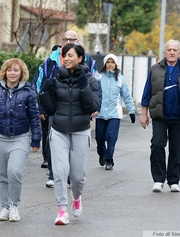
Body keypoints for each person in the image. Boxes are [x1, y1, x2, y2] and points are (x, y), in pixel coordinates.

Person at [39, 43, 99, 225]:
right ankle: (62, 210)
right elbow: (49, 109)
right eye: (65, 55)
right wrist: (43, 91)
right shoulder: (56, 79)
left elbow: (93, 107)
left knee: (78, 176)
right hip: (58, 130)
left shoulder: (90, 80)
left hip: (81, 130)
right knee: (59, 172)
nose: (67, 58)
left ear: (80, 58)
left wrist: (83, 87)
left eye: (71, 55)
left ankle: (77, 197)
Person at [0, 58, 41, 222]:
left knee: (14, 172)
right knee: (2, 175)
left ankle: (14, 206)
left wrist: (36, 140)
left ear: (21, 73)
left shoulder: (28, 92)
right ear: (4, 72)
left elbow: (34, 117)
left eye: (16, 70)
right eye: (9, 70)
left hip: (20, 138)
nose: (12, 73)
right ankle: (4, 207)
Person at [33, 30, 97, 188]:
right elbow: (40, 83)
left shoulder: (87, 60)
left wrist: (95, 105)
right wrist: (42, 107)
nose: (69, 42)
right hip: (56, 108)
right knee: (53, 141)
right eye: (66, 39)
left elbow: (95, 84)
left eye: (72, 39)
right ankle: (53, 175)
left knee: (74, 148)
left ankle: (71, 177)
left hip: (79, 108)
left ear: (78, 41)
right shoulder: (51, 60)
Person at [140, 39, 180, 193]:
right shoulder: (155, 69)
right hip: (160, 116)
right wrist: (143, 113)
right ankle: (158, 180)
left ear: (179, 53)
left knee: (176, 149)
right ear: (165, 52)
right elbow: (147, 91)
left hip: (179, 117)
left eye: (175, 50)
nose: (172, 52)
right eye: (169, 50)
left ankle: (173, 180)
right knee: (157, 145)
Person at [95, 54, 136, 170]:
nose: (110, 64)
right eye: (108, 62)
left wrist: (131, 111)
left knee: (111, 136)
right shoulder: (98, 77)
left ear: (116, 64)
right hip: (100, 113)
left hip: (114, 113)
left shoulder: (121, 79)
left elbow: (127, 96)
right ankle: (102, 154)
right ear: (105, 64)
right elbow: (93, 95)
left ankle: (109, 160)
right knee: (99, 138)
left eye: (112, 62)